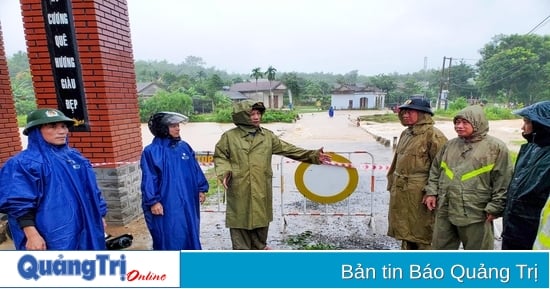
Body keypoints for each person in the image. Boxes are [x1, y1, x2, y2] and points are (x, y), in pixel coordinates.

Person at [213, 100, 332, 250]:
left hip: (261, 187)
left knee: (260, 224)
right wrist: (225, 172)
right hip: (239, 188)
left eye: (258, 113)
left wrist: (313, 155)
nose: (256, 117)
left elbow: (289, 149)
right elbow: (220, 156)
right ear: (242, 116)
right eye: (252, 114)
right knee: (240, 226)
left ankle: (260, 253)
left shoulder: (267, 137)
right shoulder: (229, 137)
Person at [0, 108, 107, 250]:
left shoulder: (76, 158)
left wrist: (99, 215)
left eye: (63, 126)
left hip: (87, 228)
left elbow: (92, 190)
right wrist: (32, 235)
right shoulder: (23, 163)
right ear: (36, 131)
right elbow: (18, 203)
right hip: (52, 235)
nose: (62, 131)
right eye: (52, 126)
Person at [424, 105, 512, 250]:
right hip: (446, 208)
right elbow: (435, 170)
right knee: (440, 251)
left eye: (465, 123)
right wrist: (431, 192)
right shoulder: (450, 145)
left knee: (478, 258)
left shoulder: (496, 148)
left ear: (477, 123)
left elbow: (503, 180)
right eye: (457, 122)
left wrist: (496, 207)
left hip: (476, 212)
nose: (459, 126)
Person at [140, 112, 209, 250]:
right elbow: (149, 178)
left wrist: (201, 188)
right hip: (167, 203)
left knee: (190, 230)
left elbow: (195, 169)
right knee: (170, 235)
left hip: (188, 200)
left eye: (178, 125)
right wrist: (153, 202)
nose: (178, 128)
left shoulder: (184, 147)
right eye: (173, 126)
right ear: (162, 128)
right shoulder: (151, 151)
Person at [386, 98, 448, 250]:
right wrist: (392, 183)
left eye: (410, 111)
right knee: (405, 232)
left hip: (421, 194)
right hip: (402, 192)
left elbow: (443, 169)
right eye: (404, 112)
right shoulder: (406, 134)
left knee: (422, 233)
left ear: (423, 114)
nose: (405, 115)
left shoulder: (434, 136)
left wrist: (433, 192)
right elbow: (396, 163)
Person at [499, 101, 550, 250]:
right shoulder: (531, 148)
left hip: (532, 233)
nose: (522, 127)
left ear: (541, 126)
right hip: (513, 228)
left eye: (527, 122)